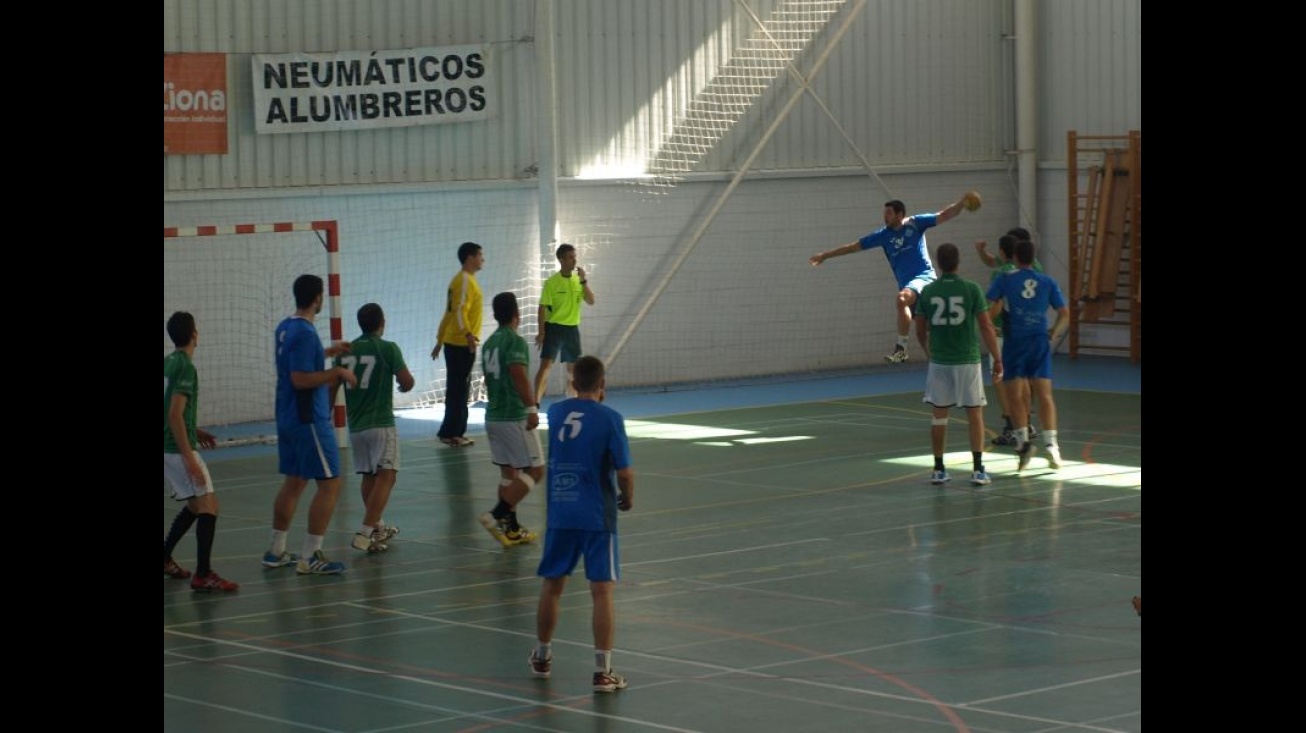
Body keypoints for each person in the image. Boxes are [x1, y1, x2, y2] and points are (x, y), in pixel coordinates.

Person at [530, 355, 635, 693]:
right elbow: (624, 472)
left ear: (573, 383)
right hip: (595, 514)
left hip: (561, 510)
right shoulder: (611, 419)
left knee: (552, 586)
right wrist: (627, 496)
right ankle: (603, 671)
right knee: (601, 591)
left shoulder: (556, 412)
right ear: (602, 385)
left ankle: (543, 656)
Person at [810, 192, 982, 363]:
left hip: (924, 279)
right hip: (908, 285)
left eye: (889, 213)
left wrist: (961, 202)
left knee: (901, 299)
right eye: (884, 213)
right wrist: (825, 255)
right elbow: (853, 247)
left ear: (900, 214)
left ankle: (901, 349)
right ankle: (938, 364)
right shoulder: (883, 235)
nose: (885, 216)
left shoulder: (915, 223)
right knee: (927, 332)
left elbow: (944, 215)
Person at [263, 274, 359, 575]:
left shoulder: (286, 327)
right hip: (309, 419)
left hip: (287, 416)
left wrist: (328, 353)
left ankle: (276, 551)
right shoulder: (305, 333)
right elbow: (300, 378)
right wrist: (337, 374)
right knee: (330, 484)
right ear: (318, 297)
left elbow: (296, 363)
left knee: (294, 481)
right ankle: (310, 555)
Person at [914, 244, 1003, 487]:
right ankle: (977, 470)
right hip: (967, 360)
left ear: (938, 263)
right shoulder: (971, 289)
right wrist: (997, 358)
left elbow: (920, 330)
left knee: (939, 415)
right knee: (975, 414)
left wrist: (928, 351)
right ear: (958, 261)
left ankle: (939, 469)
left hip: (940, 361)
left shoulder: (928, 292)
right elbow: (986, 326)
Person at [163, 312, 239, 592]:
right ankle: (203, 574)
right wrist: (189, 457)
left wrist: (195, 431)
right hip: (176, 448)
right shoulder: (185, 367)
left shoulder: (168, 363)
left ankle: (165, 556)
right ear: (195, 334)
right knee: (209, 506)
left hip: (169, 446)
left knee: (197, 506)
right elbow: (174, 415)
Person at [986, 239, 1069, 472]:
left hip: (1015, 342)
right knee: (1044, 394)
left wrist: (991, 325)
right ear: (1033, 258)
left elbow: (990, 307)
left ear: (1014, 258)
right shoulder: (1047, 281)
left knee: (1015, 396)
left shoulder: (1005, 279)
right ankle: (1052, 446)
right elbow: (1065, 314)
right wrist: (1055, 332)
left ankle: (1023, 443)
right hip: (1039, 341)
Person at [340, 303, 416, 553]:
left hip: (356, 425)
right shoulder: (387, 348)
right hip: (381, 423)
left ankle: (378, 527)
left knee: (368, 476)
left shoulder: (346, 352)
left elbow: (332, 387)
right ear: (382, 322)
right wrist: (404, 387)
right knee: (387, 476)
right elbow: (407, 381)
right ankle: (364, 533)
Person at [478, 292, 545, 547]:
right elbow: (517, 374)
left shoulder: (488, 344)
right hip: (513, 415)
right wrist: (530, 408)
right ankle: (495, 516)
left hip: (493, 415)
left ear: (495, 315)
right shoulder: (514, 342)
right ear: (517, 313)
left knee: (509, 473)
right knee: (535, 470)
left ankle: (512, 528)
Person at [976, 229, 1046, 446]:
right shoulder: (1032, 269)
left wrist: (984, 321)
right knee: (1024, 381)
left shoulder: (1002, 275)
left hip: (1002, 333)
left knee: (1001, 379)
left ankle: (1011, 426)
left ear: (1004, 251)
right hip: (1026, 331)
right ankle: (1026, 424)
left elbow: (995, 305)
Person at [432, 241, 485, 448]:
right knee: (458, 390)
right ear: (470, 257)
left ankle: (452, 431)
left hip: (457, 342)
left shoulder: (466, 280)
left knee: (458, 389)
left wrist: (439, 339)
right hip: (461, 344)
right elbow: (459, 311)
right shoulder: (463, 281)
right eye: (480, 255)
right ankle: (452, 433)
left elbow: (450, 312)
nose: (483, 259)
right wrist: (468, 335)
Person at [533, 243, 595, 403]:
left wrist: (584, 281)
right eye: (570, 257)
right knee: (545, 367)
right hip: (553, 328)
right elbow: (542, 308)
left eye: (575, 257)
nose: (574, 261)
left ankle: (573, 400)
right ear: (561, 260)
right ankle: (534, 404)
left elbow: (591, 301)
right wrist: (541, 332)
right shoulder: (551, 283)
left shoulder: (578, 281)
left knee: (573, 371)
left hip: (572, 329)